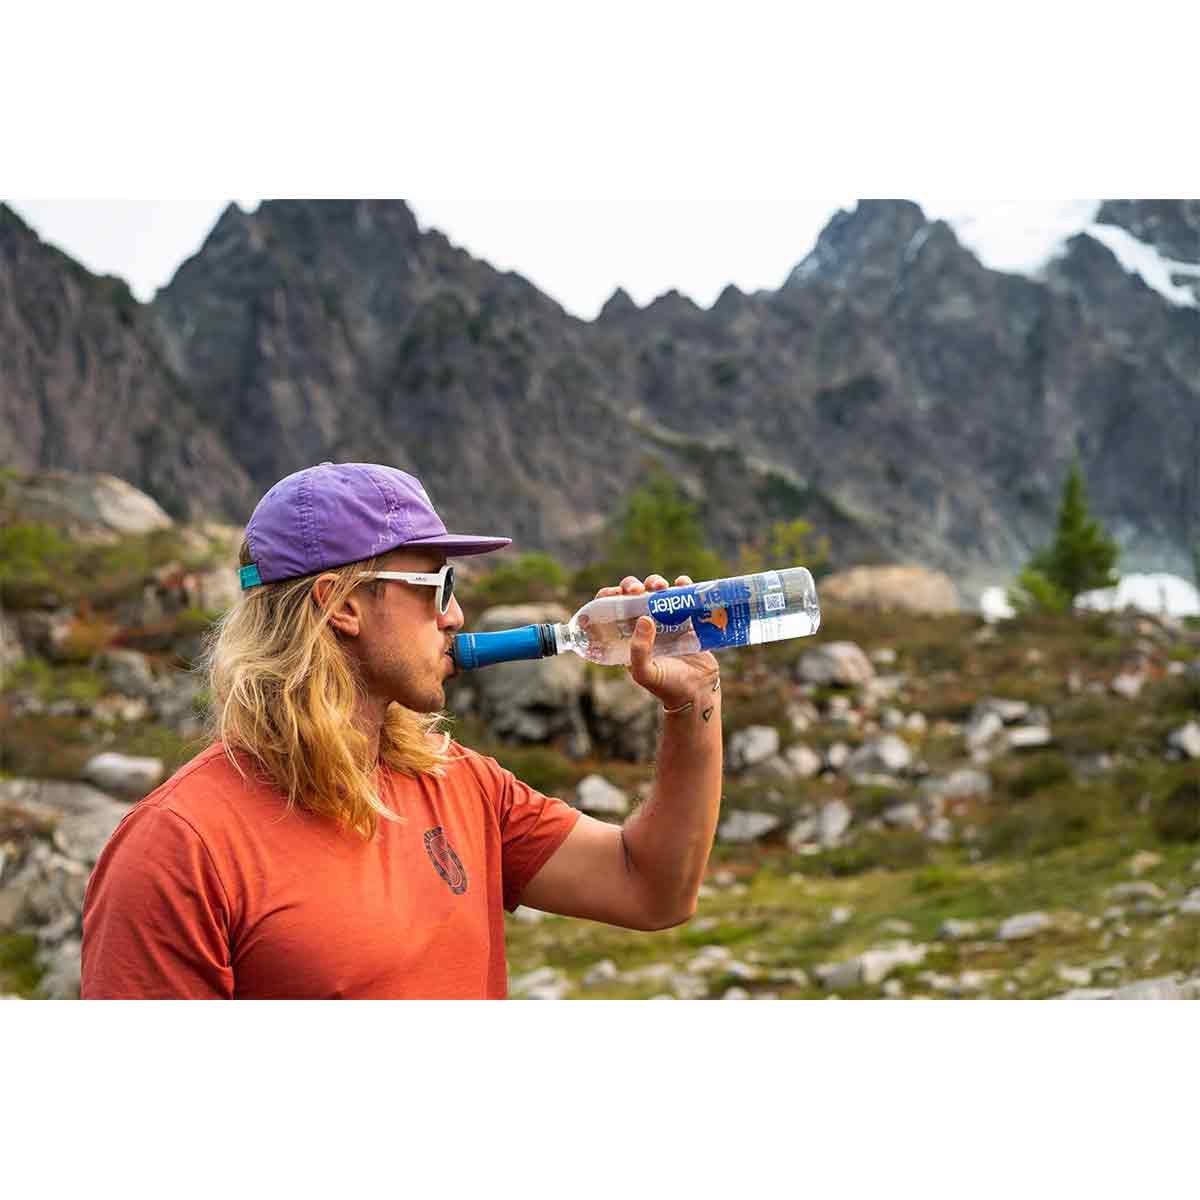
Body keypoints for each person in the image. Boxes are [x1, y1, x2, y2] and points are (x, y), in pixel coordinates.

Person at [81, 461, 723, 999]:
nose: (456, 615)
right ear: (341, 604)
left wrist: (692, 705)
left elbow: (653, 890)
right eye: (437, 584)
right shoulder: (176, 849)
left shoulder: (461, 783)